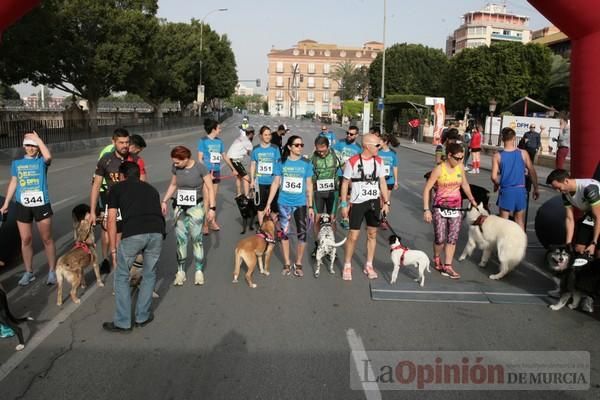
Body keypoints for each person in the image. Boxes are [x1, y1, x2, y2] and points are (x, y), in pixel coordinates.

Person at [102, 161, 165, 333]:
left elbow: (111, 219)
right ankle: (142, 317)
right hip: (157, 231)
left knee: (122, 276)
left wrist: (113, 249)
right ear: (138, 174)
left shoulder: (116, 189)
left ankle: (123, 321)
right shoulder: (151, 189)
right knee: (149, 273)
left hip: (134, 234)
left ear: (121, 176)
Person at [1, 131, 57, 286]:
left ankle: (52, 271)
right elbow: (14, 182)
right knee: (26, 239)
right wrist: (6, 204)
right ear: (24, 147)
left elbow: (48, 157)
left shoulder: (41, 162)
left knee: (46, 238)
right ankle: (29, 272)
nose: (31, 149)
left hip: (41, 204)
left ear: (38, 147)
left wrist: (38, 139)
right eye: (28, 146)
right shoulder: (17, 163)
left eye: (34, 146)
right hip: (23, 205)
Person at [89, 128, 146, 272]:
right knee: (113, 240)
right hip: (112, 206)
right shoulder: (105, 160)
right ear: (113, 142)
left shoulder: (137, 159)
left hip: (131, 207)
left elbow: (143, 185)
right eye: (121, 142)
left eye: (127, 142)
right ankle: (118, 272)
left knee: (130, 241)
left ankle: (131, 273)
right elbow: (96, 185)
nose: (125, 145)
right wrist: (92, 211)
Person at [161, 146, 216, 286]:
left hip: (196, 208)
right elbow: (173, 185)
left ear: (186, 159)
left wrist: (212, 208)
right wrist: (164, 200)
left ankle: (198, 271)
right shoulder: (176, 168)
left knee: (197, 240)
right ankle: (180, 272)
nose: (175, 164)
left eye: (178, 162)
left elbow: (210, 188)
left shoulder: (200, 168)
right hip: (179, 208)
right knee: (180, 240)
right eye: (174, 162)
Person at [546, 169, 600, 312]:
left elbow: (598, 217)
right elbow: (569, 219)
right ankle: (571, 287)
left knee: (596, 255)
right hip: (590, 216)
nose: (558, 191)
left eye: (558, 187)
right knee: (578, 251)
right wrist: (568, 244)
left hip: (598, 216)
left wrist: (594, 243)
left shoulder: (589, 189)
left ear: (566, 181)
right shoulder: (566, 194)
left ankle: (590, 297)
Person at [339, 134, 390, 281]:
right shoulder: (353, 161)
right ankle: (347, 264)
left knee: (372, 234)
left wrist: (386, 202)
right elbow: (344, 183)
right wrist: (344, 204)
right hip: (357, 202)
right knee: (353, 236)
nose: (379, 148)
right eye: (377, 146)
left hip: (373, 202)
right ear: (367, 146)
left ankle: (369, 264)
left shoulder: (379, 161)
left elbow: (382, 183)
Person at [423, 143, 477, 279]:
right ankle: (436, 256)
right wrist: (426, 209)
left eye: (462, 158)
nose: (460, 161)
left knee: (452, 238)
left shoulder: (460, 168)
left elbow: (464, 184)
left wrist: (472, 200)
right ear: (449, 155)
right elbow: (427, 189)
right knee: (440, 238)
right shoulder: (439, 169)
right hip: (440, 208)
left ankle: (448, 266)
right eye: (457, 158)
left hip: (456, 208)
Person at [264, 135, 314, 277]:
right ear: (289, 147)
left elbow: (309, 186)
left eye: (301, 145)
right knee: (284, 233)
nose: (300, 147)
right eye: (297, 145)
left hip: (300, 204)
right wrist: (268, 203)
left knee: (302, 234)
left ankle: (298, 263)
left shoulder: (306, 163)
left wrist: (311, 206)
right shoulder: (281, 162)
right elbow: (275, 183)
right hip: (284, 203)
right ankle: (286, 263)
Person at [491, 127, 540, 231]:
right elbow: (531, 170)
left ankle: (504, 245)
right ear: (514, 138)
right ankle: (521, 245)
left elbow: (494, 177)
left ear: (502, 138)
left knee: (504, 221)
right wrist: (536, 188)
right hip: (520, 189)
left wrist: (497, 184)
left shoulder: (497, 156)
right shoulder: (523, 153)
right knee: (519, 220)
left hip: (506, 190)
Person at [198, 118, 235, 234]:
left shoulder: (219, 142)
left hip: (217, 172)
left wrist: (233, 168)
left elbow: (224, 156)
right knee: (207, 199)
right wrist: (208, 174)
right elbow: (200, 160)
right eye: (219, 128)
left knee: (213, 197)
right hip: (206, 173)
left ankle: (212, 221)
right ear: (213, 129)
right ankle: (205, 224)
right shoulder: (203, 141)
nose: (220, 129)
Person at [309, 135, 341, 257]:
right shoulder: (312, 157)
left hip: (333, 192)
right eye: (318, 151)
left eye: (323, 151)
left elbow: (346, 168)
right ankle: (318, 245)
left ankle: (331, 245)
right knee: (317, 219)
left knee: (332, 219)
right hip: (318, 192)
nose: (321, 153)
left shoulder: (336, 155)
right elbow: (308, 177)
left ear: (328, 146)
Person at [250, 126, 282, 225]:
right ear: (260, 136)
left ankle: (273, 229)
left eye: (269, 135)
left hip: (273, 182)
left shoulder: (275, 148)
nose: (268, 137)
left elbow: (278, 164)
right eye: (265, 135)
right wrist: (252, 180)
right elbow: (253, 164)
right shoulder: (256, 149)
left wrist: (279, 179)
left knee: (274, 208)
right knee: (260, 206)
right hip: (260, 182)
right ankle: (262, 228)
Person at [225, 126, 254, 197]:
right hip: (235, 160)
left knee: (239, 177)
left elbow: (245, 151)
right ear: (251, 134)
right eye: (253, 133)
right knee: (246, 177)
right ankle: (247, 196)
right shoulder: (248, 142)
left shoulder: (241, 138)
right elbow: (251, 154)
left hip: (230, 158)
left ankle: (239, 194)